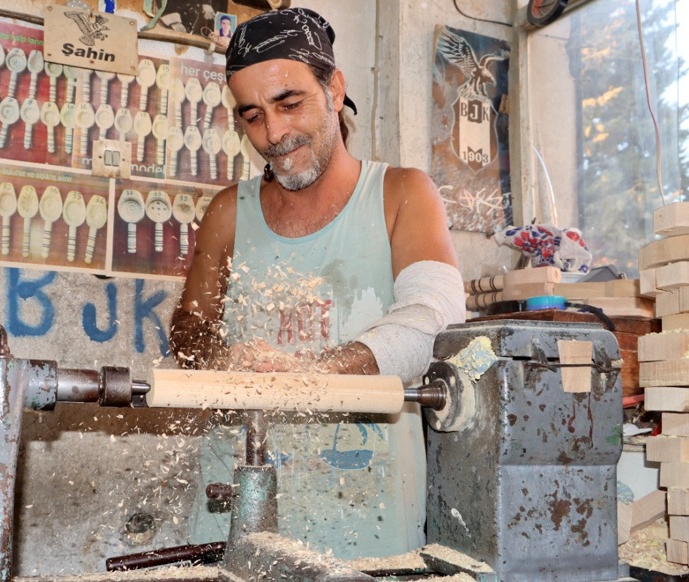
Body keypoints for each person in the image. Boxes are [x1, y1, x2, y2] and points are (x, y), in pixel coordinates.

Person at [169, 8, 466, 559]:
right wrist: (219, 356)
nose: (274, 134)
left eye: (289, 104)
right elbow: (189, 329)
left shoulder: (401, 193)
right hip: (235, 515)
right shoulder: (227, 214)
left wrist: (313, 373)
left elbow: (436, 318)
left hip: (364, 521)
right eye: (253, 116)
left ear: (334, 89)